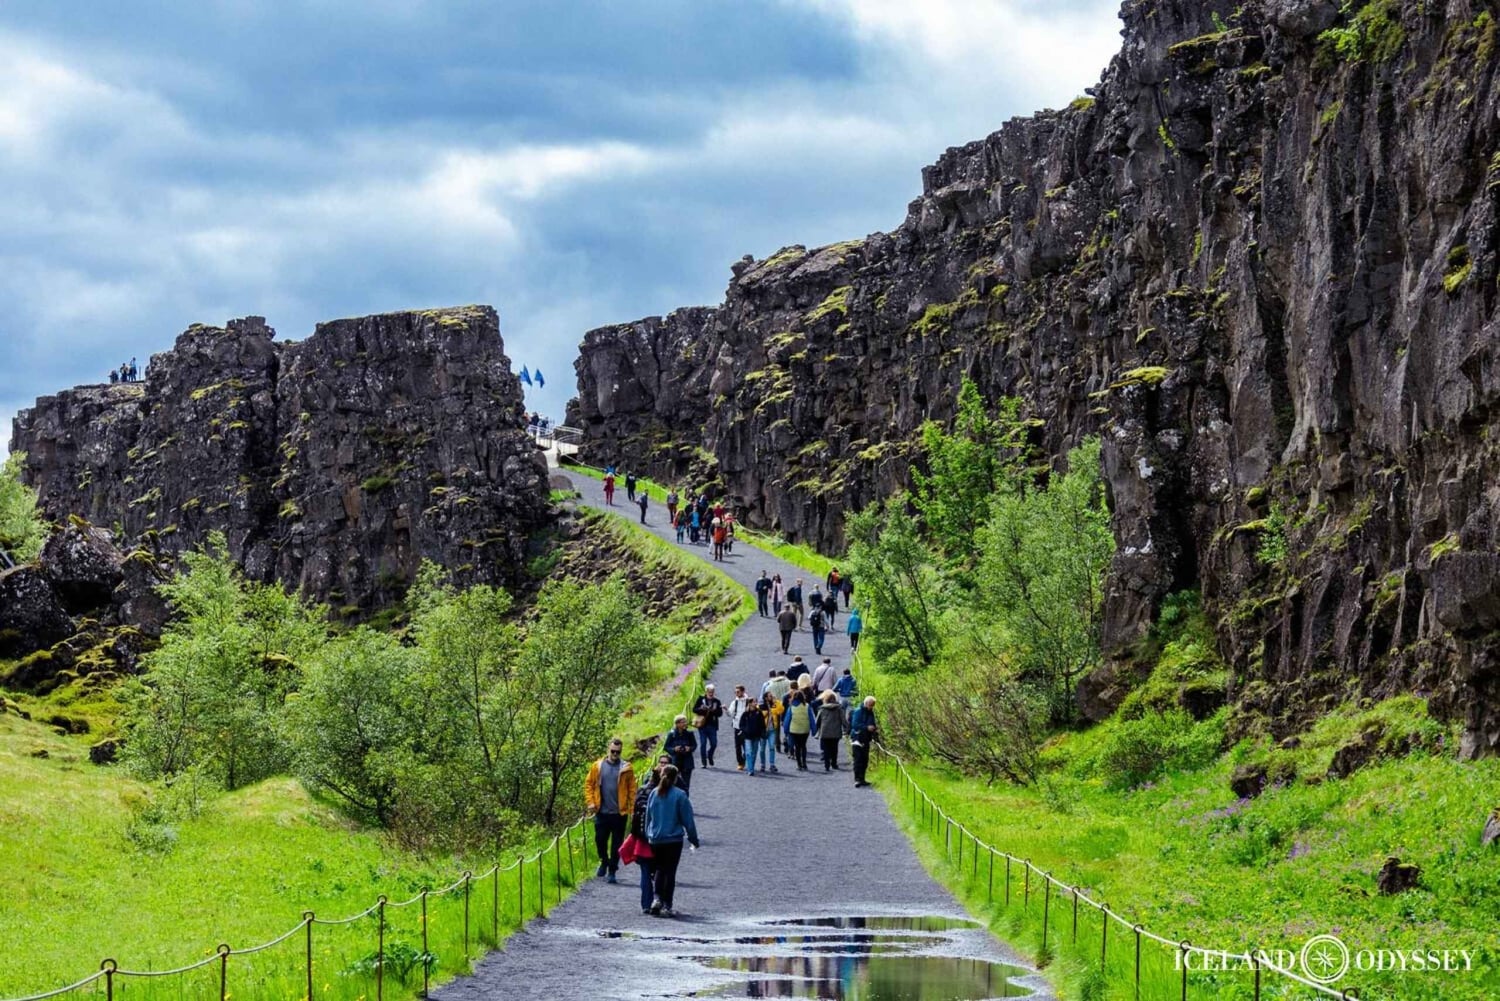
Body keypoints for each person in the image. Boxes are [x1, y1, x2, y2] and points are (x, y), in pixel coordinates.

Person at [644, 765, 699, 917]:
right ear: (675, 778)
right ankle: (667, 904)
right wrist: (694, 839)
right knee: (670, 871)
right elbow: (688, 821)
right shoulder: (680, 795)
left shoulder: (654, 793)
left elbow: (648, 817)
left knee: (659, 869)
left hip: (655, 839)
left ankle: (656, 899)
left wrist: (647, 835)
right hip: (673, 840)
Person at [584, 737, 638, 883]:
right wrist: (591, 802)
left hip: (619, 813)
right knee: (600, 840)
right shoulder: (598, 766)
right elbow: (589, 784)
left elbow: (632, 790)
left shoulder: (626, 768)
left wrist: (633, 811)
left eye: (618, 752)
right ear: (608, 749)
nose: (615, 754)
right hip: (602, 811)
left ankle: (612, 870)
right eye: (613, 751)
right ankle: (603, 861)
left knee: (617, 844)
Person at [629, 755, 671, 913]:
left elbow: (635, 815)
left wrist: (635, 834)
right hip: (660, 839)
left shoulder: (643, 790)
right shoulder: (670, 792)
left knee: (646, 873)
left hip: (644, 838)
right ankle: (660, 901)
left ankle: (646, 904)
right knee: (661, 871)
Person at [663, 716, 697, 794]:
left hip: (687, 762)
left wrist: (689, 748)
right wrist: (674, 749)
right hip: (675, 762)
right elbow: (666, 747)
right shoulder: (671, 734)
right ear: (677, 724)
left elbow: (694, 745)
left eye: (685, 721)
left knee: (686, 784)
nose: (685, 723)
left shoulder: (689, 734)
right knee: (674, 783)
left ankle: (685, 800)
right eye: (683, 722)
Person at [692, 684, 724, 767]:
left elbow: (720, 713)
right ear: (706, 691)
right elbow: (694, 709)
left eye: (712, 691)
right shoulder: (701, 699)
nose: (711, 693)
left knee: (714, 743)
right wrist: (701, 709)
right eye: (709, 691)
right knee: (703, 744)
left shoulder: (717, 701)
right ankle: (704, 762)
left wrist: (713, 711)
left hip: (712, 725)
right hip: (702, 725)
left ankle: (709, 754)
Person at [850, 696, 879, 787]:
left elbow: (872, 722)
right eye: (870, 705)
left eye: (873, 705)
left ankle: (862, 778)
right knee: (858, 759)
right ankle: (857, 779)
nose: (871, 707)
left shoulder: (871, 713)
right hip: (857, 738)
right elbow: (855, 724)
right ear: (866, 703)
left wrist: (874, 728)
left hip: (866, 738)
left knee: (865, 759)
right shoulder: (858, 711)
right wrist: (867, 727)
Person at [783, 690, 815, 771]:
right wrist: (814, 730)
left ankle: (799, 764)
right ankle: (804, 763)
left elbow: (787, 720)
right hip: (805, 729)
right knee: (803, 746)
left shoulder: (791, 707)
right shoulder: (807, 706)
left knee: (797, 747)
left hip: (794, 730)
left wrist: (786, 731)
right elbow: (811, 719)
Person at [727, 684, 754, 769]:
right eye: (735, 692)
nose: (736, 693)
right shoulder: (734, 702)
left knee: (747, 746)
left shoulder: (748, 701)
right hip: (737, 726)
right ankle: (740, 763)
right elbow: (730, 714)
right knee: (737, 746)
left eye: (738, 692)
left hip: (747, 727)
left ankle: (746, 757)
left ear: (743, 691)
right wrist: (726, 710)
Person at [738, 697, 767, 775]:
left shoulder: (759, 712)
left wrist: (762, 732)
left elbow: (762, 724)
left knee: (754, 752)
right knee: (749, 752)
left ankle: (751, 767)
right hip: (747, 736)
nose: (755, 703)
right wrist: (745, 730)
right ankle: (750, 770)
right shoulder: (745, 713)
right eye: (754, 702)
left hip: (756, 736)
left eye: (756, 702)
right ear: (750, 703)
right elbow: (741, 724)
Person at [816, 692, 844, 771]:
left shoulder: (822, 709)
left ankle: (826, 765)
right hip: (836, 732)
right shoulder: (839, 709)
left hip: (824, 731)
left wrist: (816, 729)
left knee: (826, 749)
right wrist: (847, 729)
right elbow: (843, 720)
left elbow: (817, 721)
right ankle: (834, 764)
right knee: (834, 748)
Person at [759, 690, 783, 770]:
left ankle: (772, 764)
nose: (771, 697)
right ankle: (762, 764)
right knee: (762, 749)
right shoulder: (761, 706)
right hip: (763, 730)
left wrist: (776, 701)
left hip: (772, 730)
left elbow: (781, 710)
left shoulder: (775, 705)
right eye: (770, 696)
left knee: (772, 747)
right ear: (766, 698)